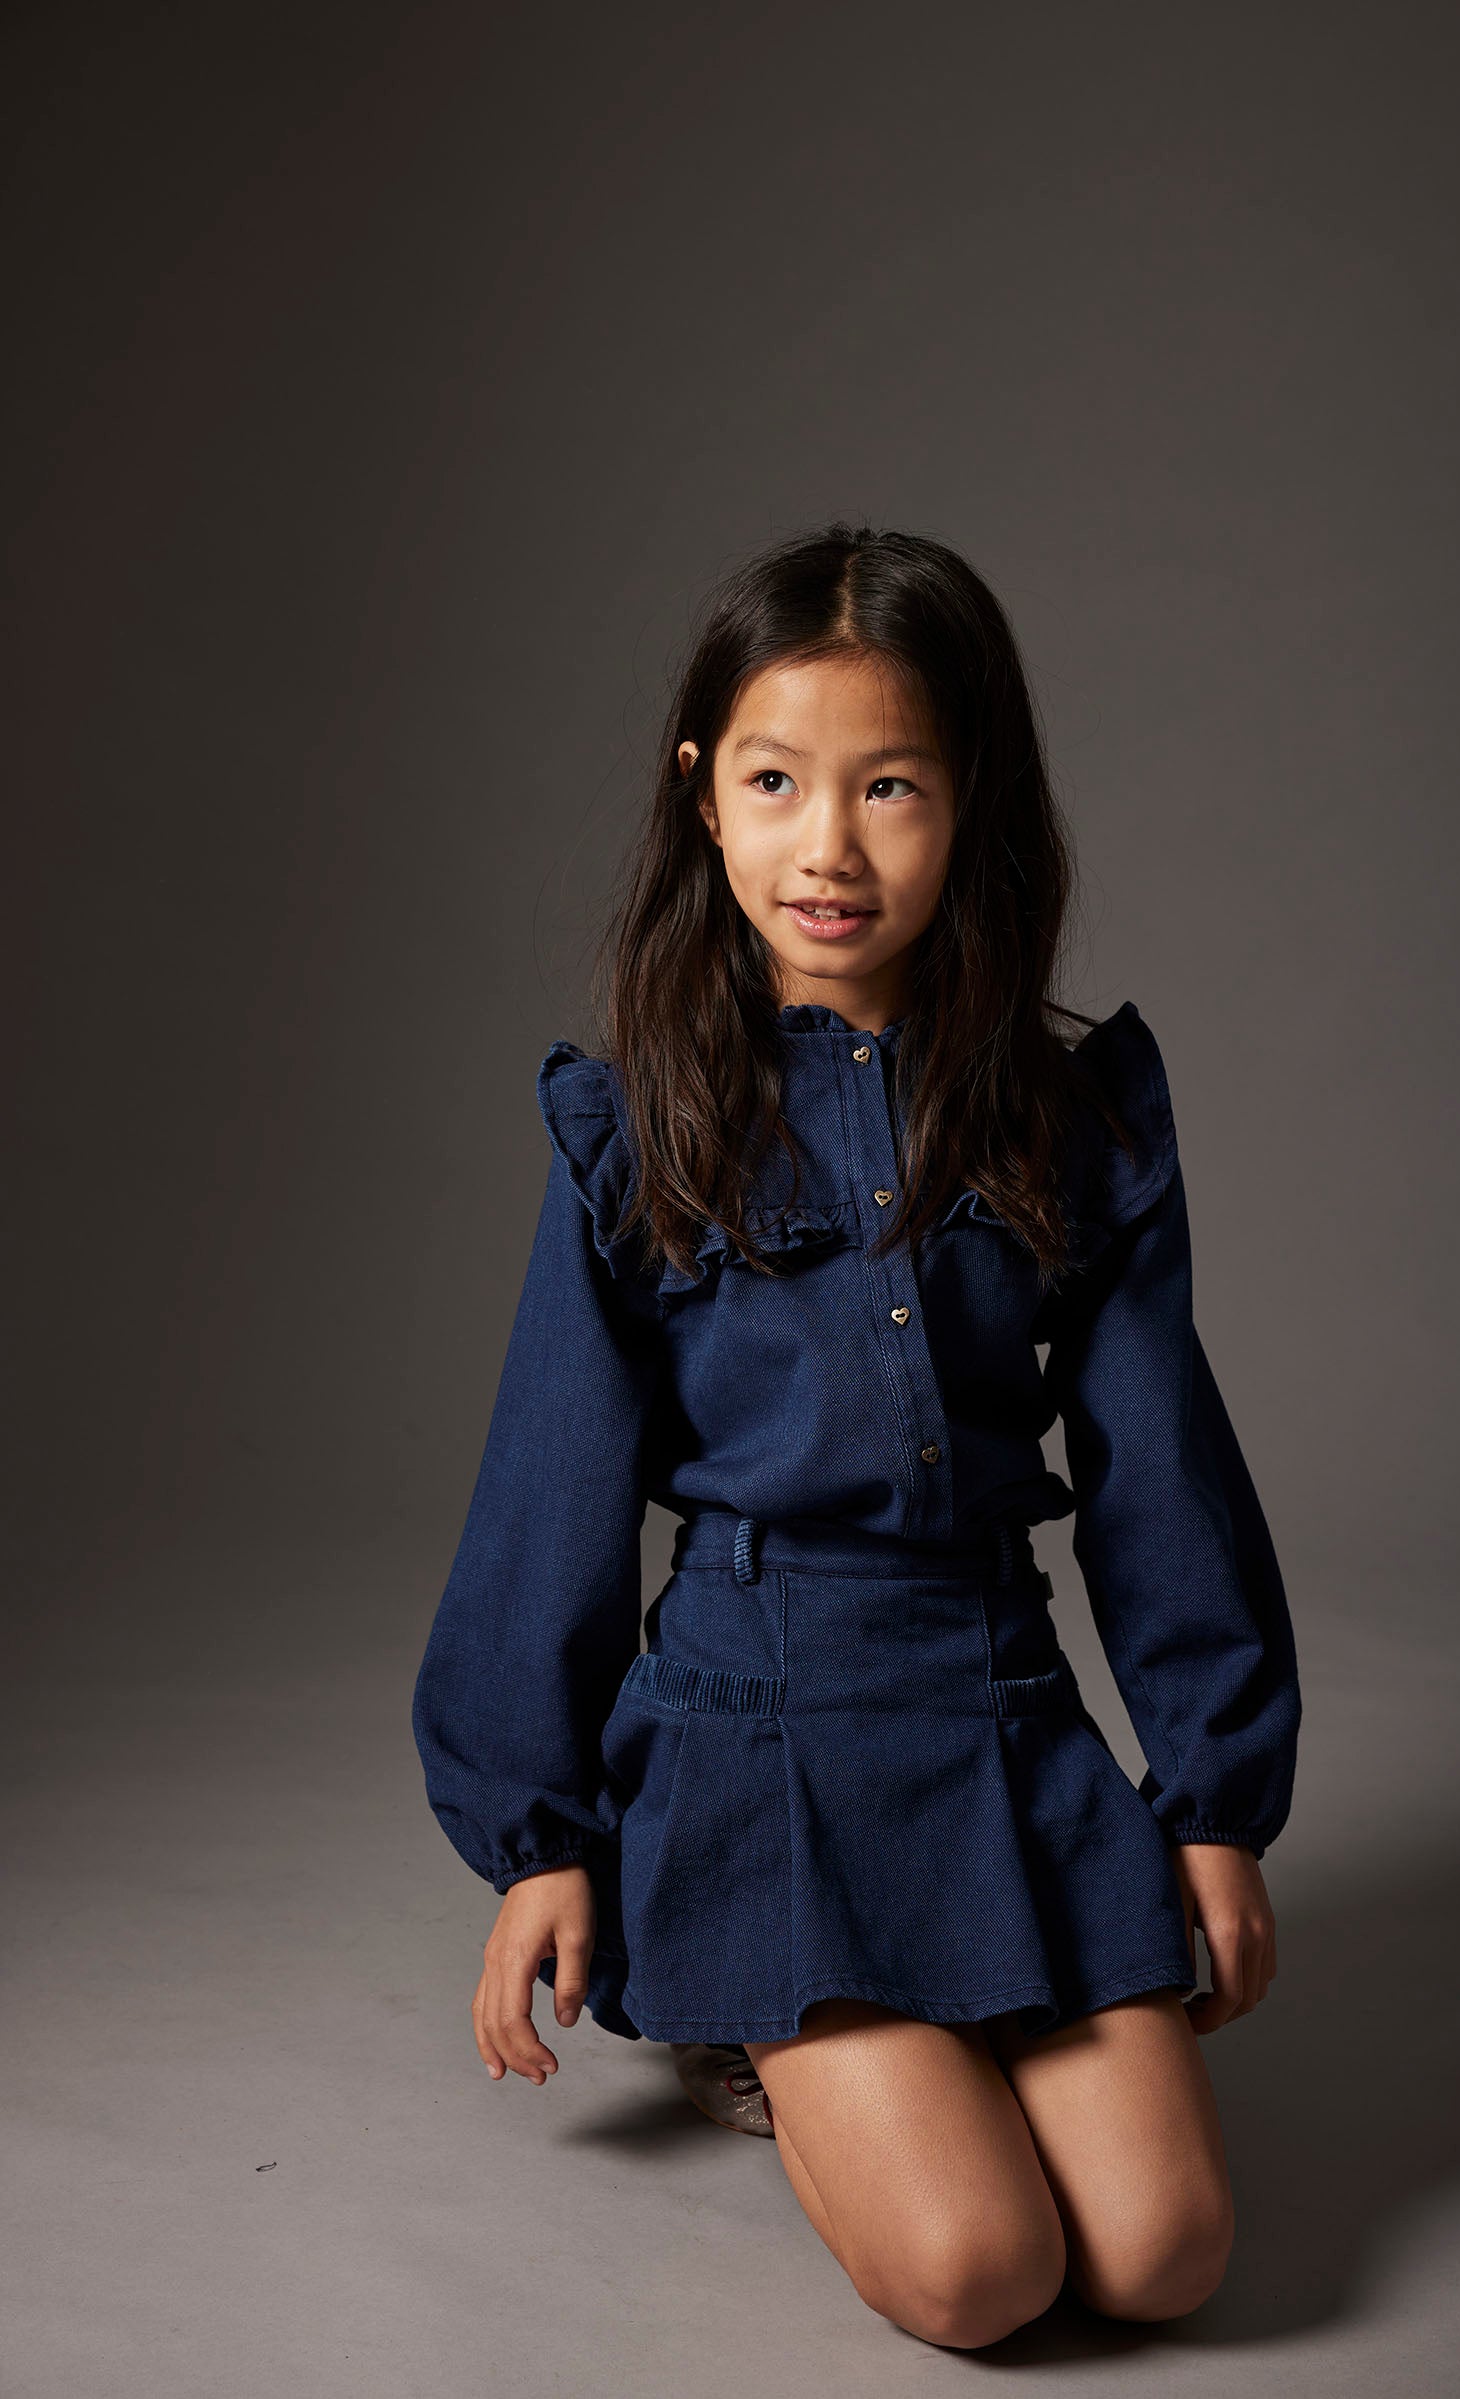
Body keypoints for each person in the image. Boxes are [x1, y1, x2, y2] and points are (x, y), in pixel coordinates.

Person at [411, 521, 1301, 2350]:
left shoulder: (1066, 1121)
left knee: (1165, 2255)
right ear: (703, 795)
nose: (829, 845)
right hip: (762, 1731)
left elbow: (1163, 1472)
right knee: (984, 2274)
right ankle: (753, 2011)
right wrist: (539, 1840)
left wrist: (1216, 1810)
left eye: (890, 786)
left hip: (999, 1706)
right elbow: (549, 1489)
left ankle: (933, 2013)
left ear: (973, 802)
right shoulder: (643, 1129)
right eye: (776, 782)